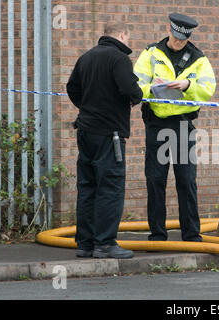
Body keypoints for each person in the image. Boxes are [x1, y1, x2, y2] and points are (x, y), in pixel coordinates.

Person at [134, 13, 216, 242]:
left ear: (189, 36)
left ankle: (191, 234)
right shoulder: (151, 53)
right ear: (169, 30)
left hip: (182, 126)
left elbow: (208, 88)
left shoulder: (199, 59)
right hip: (157, 124)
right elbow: (136, 84)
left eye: (183, 39)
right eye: (176, 37)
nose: (178, 42)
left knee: (186, 180)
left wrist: (187, 84)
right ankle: (158, 234)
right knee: (155, 179)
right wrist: (152, 88)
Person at [66, 23, 143, 258]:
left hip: (86, 131)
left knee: (87, 187)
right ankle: (105, 243)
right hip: (110, 134)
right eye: (128, 37)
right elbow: (132, 91)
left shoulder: (86, 57)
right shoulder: (119, 59)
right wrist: (135, 96)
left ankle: (85, 244)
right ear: (121, 35)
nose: (129, 43)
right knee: (110, 187)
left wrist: (88, 109)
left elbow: (71, 88)